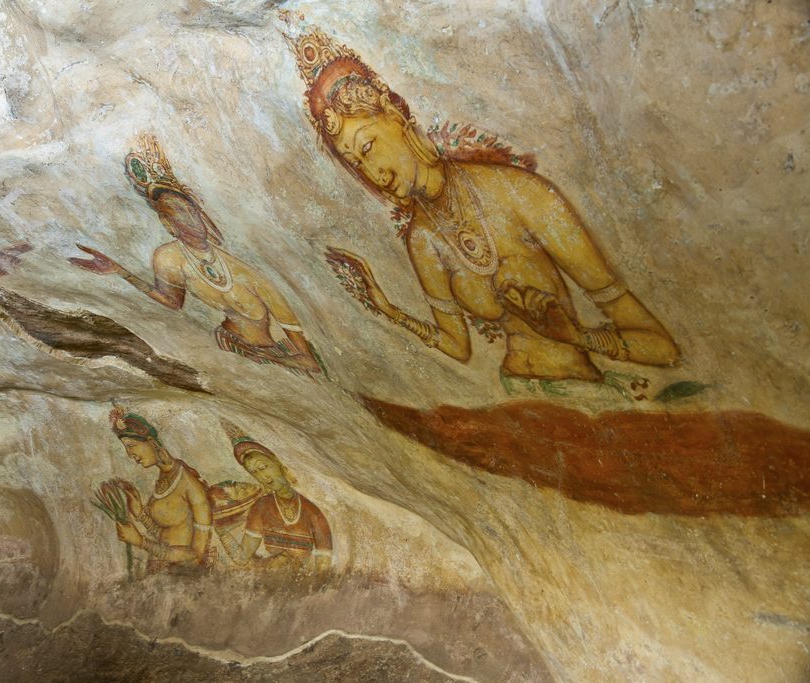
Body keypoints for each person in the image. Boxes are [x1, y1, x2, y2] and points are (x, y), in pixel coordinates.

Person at [288, 27, 680, 382]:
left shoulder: (520, 194)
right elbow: (458, 346)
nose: (371, 171)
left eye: (368, 147)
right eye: (357, 163)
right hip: (515, 398)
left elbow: (661, 347)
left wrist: (578, 337)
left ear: (393, 117)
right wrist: (388, 309)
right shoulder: (422, 240)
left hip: (581, 389)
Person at [70, 135, 324, 378]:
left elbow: (307, 359)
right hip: (229, 345)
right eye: (178, 213)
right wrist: (121, 271)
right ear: (168, 224)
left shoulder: (244, 271)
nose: (190, 219)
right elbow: (173, 302)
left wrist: (272, 358)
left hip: (264, 352)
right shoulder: (169, 257)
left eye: (191, 210)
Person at [214, 419, 332, 575]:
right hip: (269, 580)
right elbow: (241, 557)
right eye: (254, 472)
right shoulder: (261, 507)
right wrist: (223, 533)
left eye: (263, 467)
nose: (262, 476)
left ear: (276, 462)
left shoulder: (313, 513)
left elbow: (322, 570)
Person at [106, 406, 212, 574]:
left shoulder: (190, 486)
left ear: (152, 442)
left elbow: (196, 556)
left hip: (182, 579)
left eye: (131, 445)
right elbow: (165, 534)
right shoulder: (164, 477)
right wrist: (140, 513)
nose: (129, 454)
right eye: (126, 447)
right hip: (159, 573)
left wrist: (141, 542)